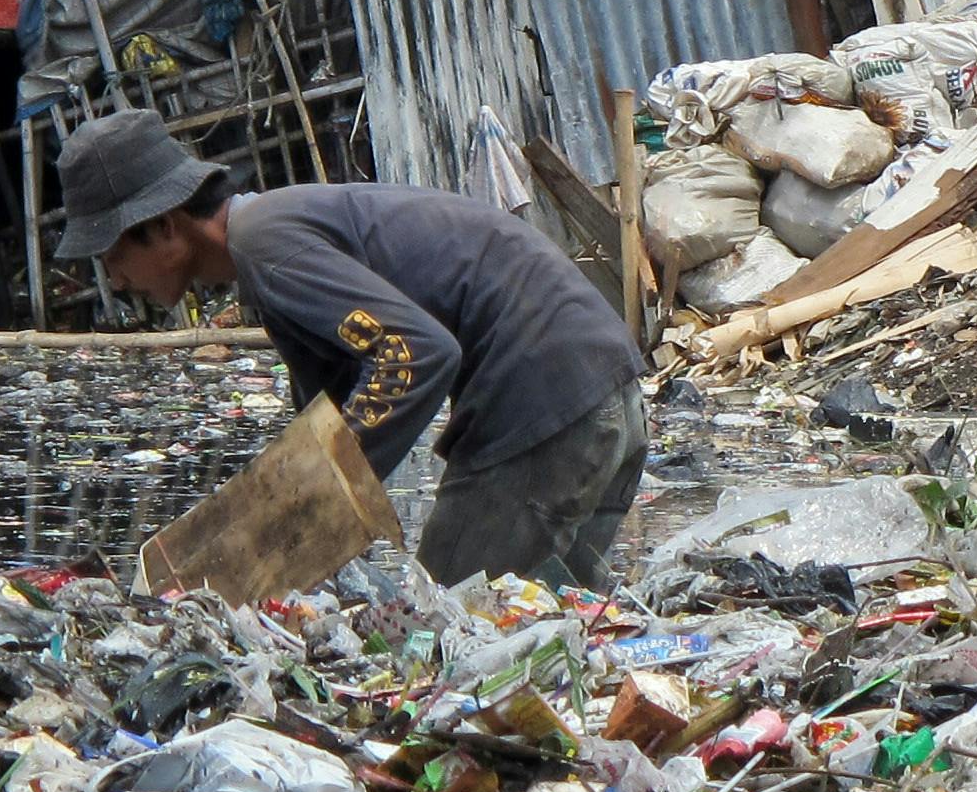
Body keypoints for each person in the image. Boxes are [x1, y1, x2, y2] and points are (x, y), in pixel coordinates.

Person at [51, 112, 649, 588]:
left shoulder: (267, 244)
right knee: (545, 637)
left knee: (450, 633)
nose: (115, 280)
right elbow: (330, 410)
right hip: (602, 388)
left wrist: (324, 498)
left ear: (163, 227)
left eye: (111, 257)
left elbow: (413, 354)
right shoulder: (270, 243)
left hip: (547, 404)